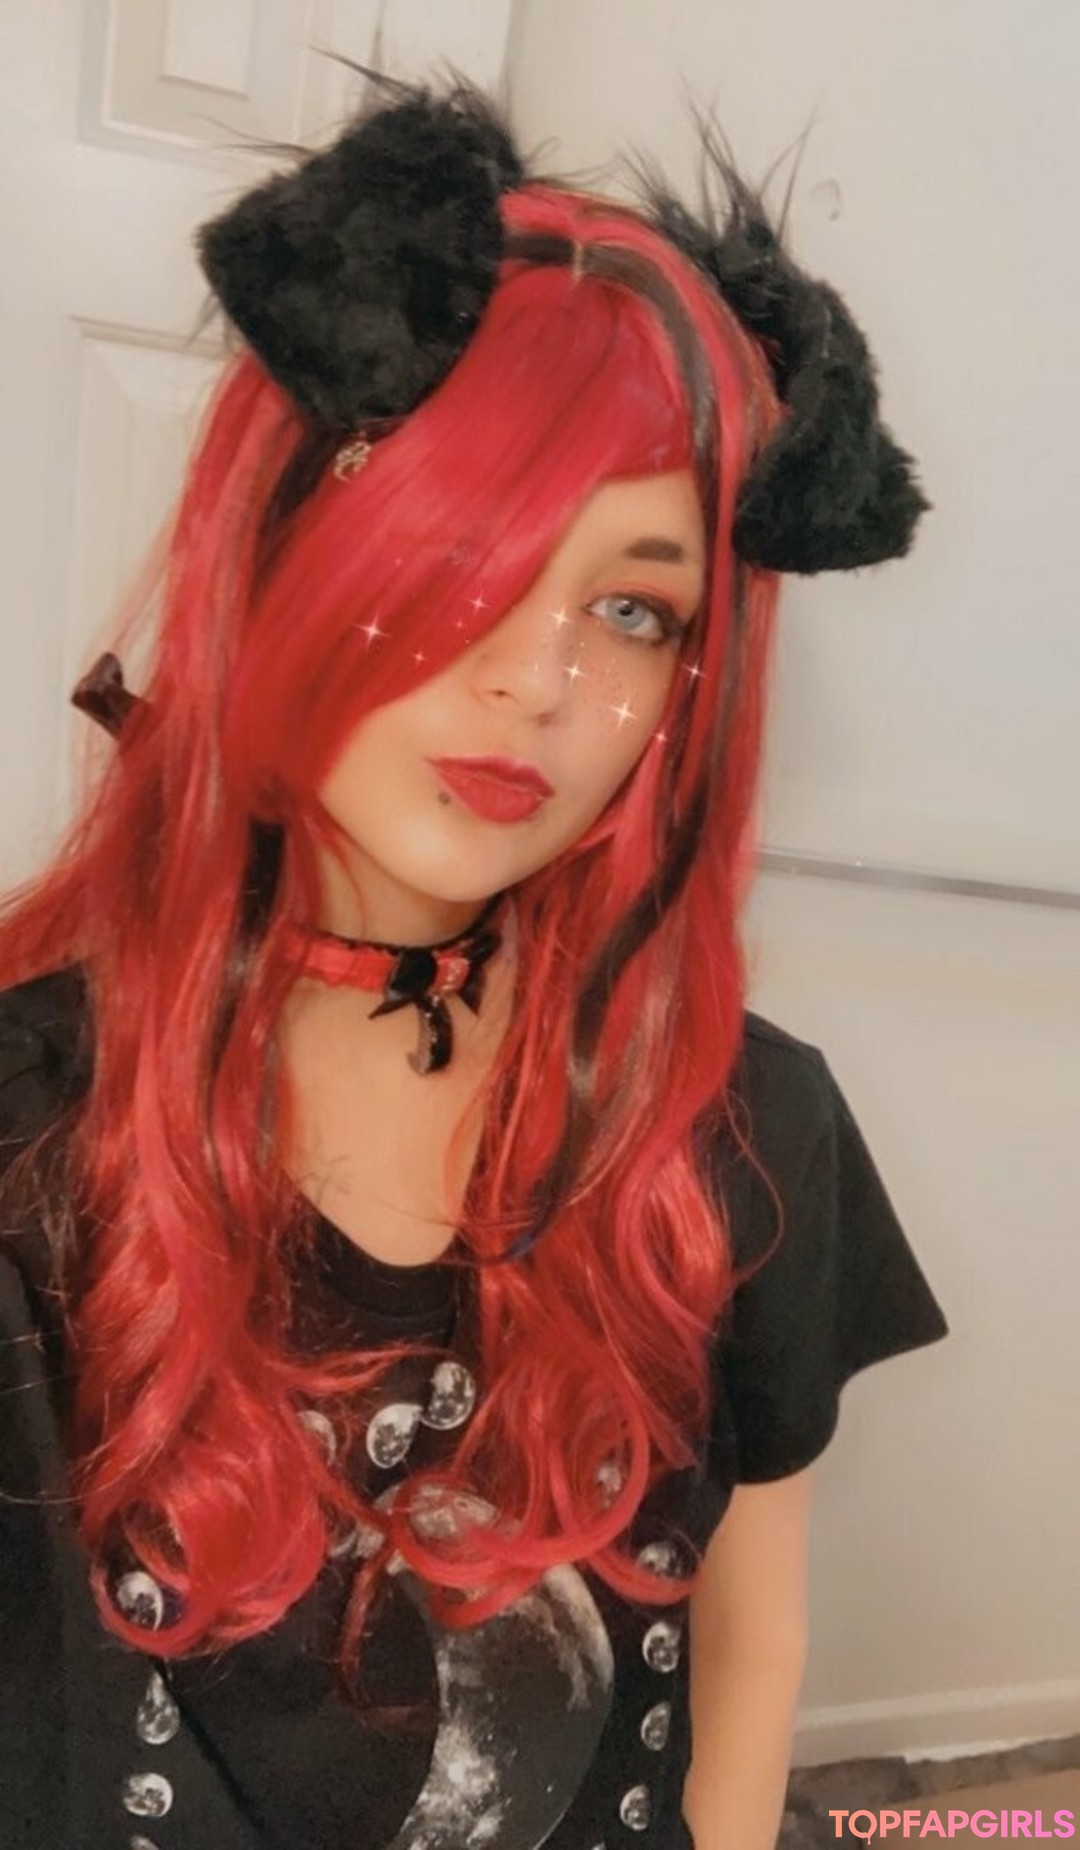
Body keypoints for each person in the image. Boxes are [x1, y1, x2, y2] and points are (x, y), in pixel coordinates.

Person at [0, 73, 948, 1850]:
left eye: (633, 608)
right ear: (280, 549)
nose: (538, 679)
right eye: (470, 555)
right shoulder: (28, 1135)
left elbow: (751, 1635)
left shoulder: (749, 1127)